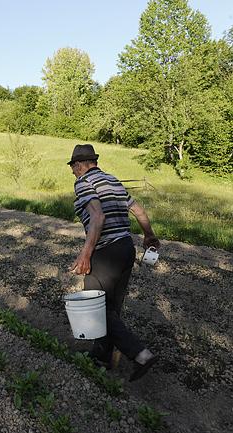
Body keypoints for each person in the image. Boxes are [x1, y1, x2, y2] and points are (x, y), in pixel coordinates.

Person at [67, 143, 160, 382]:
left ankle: (140, 354)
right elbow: (138, 210)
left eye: (73, 167)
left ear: (79, 165)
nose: (72, 172)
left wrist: (85, 254)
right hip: (125, 249)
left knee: (96, 309)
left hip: (105, 253)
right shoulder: (114, 181)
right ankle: (102, 356)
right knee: (111, 308)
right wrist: (148, 235)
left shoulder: (84, 183)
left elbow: (98, 217)